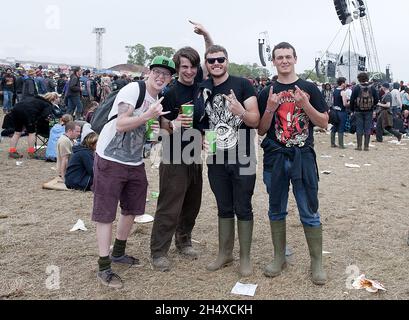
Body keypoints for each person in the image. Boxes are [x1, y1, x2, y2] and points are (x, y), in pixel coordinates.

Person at [92, 56, 175, 288]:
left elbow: (147, 132)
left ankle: (118, 252)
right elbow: (121, 123)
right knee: (106, 212)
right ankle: (103, 266)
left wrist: (166, 128)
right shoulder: (132, 90)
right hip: (110, 158)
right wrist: (148, 115)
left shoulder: (157, 97)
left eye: (166, 74)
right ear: (149, 72)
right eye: (157, 72)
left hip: (134, 160)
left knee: (132, 208)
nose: (161, 77)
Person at [257, 42, 328, 285]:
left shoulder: (309, 88)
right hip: (275, 157)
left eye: (288, 56)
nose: (284, 60)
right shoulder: (268, 90)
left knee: (309, 209)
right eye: (279, 57)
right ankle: (279, 257)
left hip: (303, 157)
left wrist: (305, 105)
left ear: (295, 58)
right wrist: (270, 108)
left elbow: (323, 123)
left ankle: (316, 262)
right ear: (274, 61)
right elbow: (261, 130)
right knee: (276, 208)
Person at [150, 21, 213, 272]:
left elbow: (211, 57)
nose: (189, 71)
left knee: (192, 201)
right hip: (174, 152)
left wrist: (207, 35)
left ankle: (184, 240)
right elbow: (160, 129)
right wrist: (173, 124)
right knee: (170, 203)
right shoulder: (170, 93)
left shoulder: (200, 86)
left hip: (195, 152)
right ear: (177, 69)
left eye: (193, 66)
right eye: (184, 67)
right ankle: (158, 251)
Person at [196, 45, 260, 277]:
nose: (216, 64)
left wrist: (240, 110)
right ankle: (225, 253)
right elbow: (203, 121)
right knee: (223, 205)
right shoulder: (204, 88)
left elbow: (255, 120)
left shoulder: (242, 84)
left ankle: (245, 257)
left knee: (243, 205)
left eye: (220, 59)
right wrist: (203, 137)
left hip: (242, 152)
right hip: (216, 154)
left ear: (227, 60)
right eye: (211, 60)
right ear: (206, 64)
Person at [8, 92, 60, 159]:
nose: (59, 99)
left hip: (16, 109)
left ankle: (12, 151)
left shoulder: (36, 98)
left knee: (17, 132)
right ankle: (31, 153)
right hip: (28, 113)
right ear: (54, 99)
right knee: (32, 133)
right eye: (58, 98)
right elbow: (43, 116)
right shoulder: (48, 105)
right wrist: (37, 121)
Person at [349, 72, 379, 151]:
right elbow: (376, 99)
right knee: (367, 128)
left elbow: (352, 100)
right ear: (367, 78)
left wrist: (352, 110)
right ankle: (366, 146)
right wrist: (373, 106)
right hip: (369, 110)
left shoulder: (356, 88)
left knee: (359, 127)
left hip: (358, 110)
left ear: (359, 79)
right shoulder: (372, 88)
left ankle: (359, 146)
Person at [330, 77, 349, 149]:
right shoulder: (343, 92)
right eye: (345, 82)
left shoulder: (334, 91)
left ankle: (332, 143)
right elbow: (345, 104)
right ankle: (341, 145)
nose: (346, 84)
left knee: (334, 127)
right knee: (341, 127)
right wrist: (349, 103)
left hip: (335, 111)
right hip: (342, 112)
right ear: (343, 83)